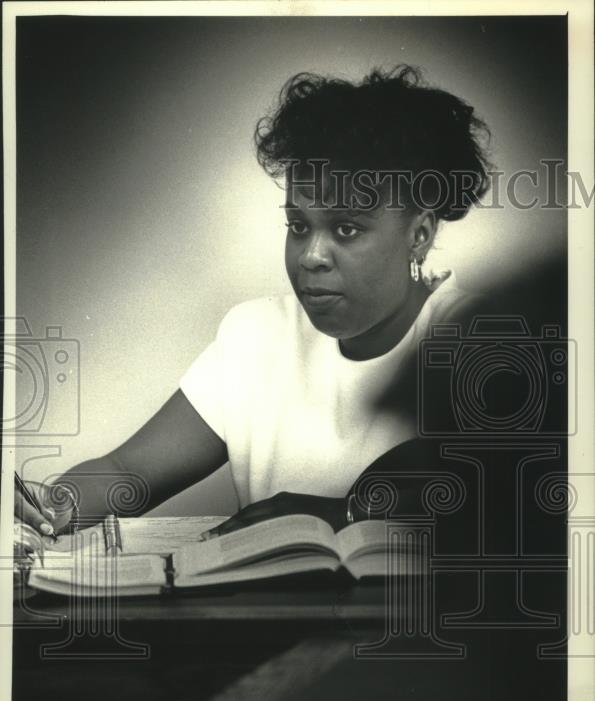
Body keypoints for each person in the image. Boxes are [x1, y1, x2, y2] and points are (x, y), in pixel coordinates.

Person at [14, 65, 492, 537]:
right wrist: (43, 508)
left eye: (347, 228)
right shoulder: (256, 335)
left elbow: (494, 509)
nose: (311, 257)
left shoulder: (480, 340)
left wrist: (333, 517)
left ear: (420, 233)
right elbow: (124, 471)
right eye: (299, 226)